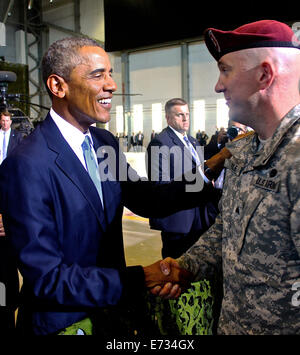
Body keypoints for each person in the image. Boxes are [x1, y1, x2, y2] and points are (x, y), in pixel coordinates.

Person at [0, 36, 217, 336]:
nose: (112, 85)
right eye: (97, 75)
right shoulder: (27, 163)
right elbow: (47, 277)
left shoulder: (104, 144)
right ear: (57, 86)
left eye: (111, 73)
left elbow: (148, 199)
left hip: (115, 319)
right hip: (64, 324)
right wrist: (140, 278)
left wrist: (209, 171)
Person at [157, 20, 300, 335]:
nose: (218, 86)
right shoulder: (241, 153)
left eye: (226, 70)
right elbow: (224, 234)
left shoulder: (297, 160)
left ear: (264, 74)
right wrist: (185, 267)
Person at [146, 98, 220, 258]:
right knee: (177, 273)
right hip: (179, 222)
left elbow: (200, 165)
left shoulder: (192, 141)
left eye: (187, 114)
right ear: (168, 118)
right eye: (180, 115)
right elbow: (160, 185)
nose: (185, 118)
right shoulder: (160, 143)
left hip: (199, 218)